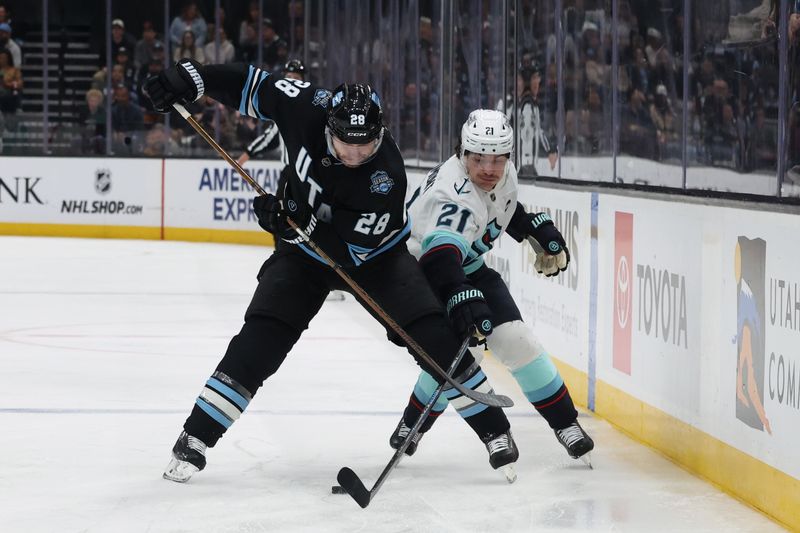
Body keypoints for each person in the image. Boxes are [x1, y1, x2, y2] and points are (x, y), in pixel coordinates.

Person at [144, 59, 514, 483]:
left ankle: (495, 432)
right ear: (328, 127)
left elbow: (346, 253)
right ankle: (196, 437)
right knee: (261, 337)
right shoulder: (305, 105)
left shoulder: (385, 178)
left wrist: (295, 219)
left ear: (380, 135)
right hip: (302, 256)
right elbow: (250, 82)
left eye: (366, 145)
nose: (355, 155)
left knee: (432, 335)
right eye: (345, 144)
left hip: (376, 259)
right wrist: (190, 79)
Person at [390, 109, 594, 473]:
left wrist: (531, 227)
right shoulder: (452, 196)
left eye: (498, 159)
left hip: (463, 266)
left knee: (517, 341)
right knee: (458, 357)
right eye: (479, 159)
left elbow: (502, 207)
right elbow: (440, 255)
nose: (489, 168)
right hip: (422, 274)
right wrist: (459, 295)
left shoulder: (501, 174)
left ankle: (566, 423)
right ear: (462, 154)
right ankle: (430, 424)